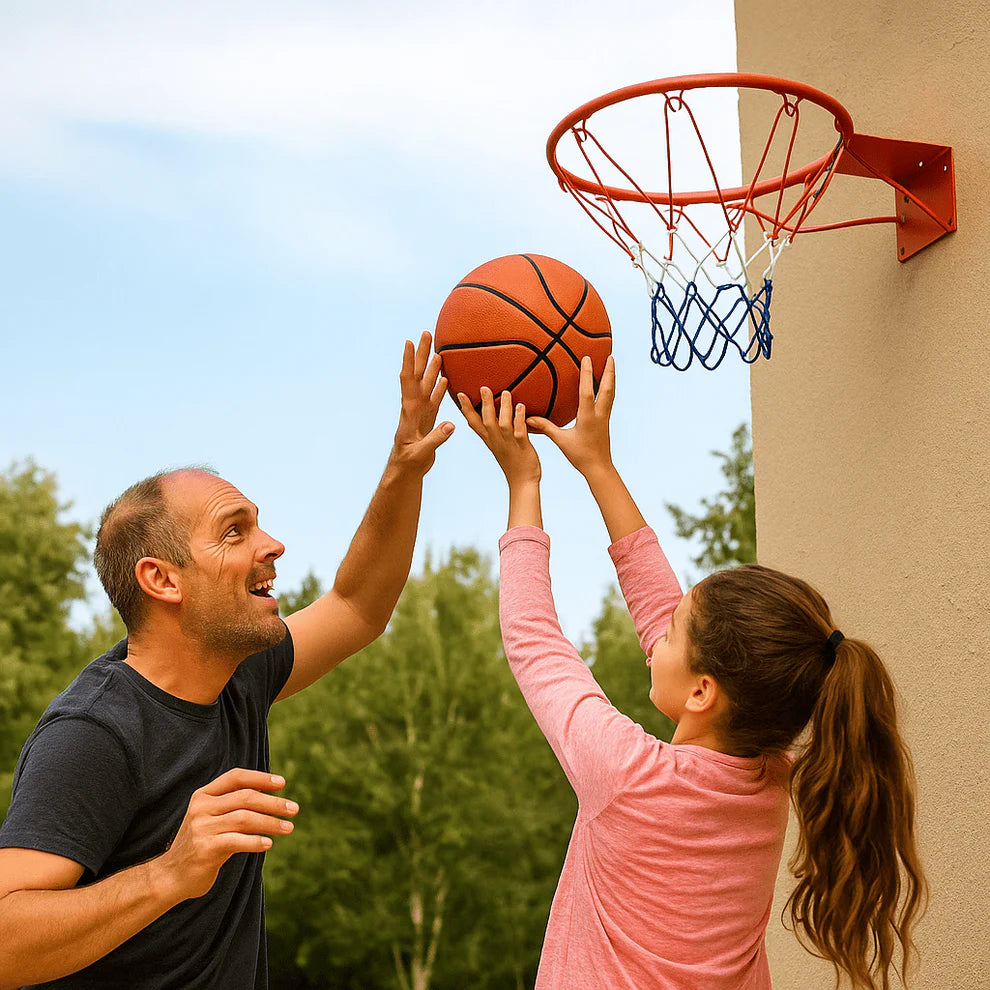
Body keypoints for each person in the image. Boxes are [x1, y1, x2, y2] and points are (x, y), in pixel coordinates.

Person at [455, 355, 926, 990]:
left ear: (703, 691)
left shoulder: (625, 776)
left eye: (676, 630)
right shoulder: (769, 782)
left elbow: (534, 639)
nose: (661, 629)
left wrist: (524, 483)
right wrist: (598, 465)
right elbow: (662, 620)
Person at [0, 333, 454, 990]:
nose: (273, 545)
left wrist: (403, 468)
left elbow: (358, 606)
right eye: (235, 530)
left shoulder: (239, 676)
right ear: (163, 580)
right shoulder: (95, 733)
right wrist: (168, 875)